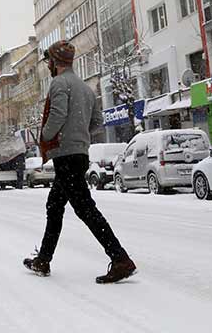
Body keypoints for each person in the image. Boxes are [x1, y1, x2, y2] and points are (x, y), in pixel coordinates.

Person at [23, 40, 136, 284]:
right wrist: (79, 132)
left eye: (49, 62)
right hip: (79, 154)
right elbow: (96, 122)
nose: (48, 66)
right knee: (55, 206)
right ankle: (43, 259)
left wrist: (46, 135)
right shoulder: (85, 89)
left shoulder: (59, 83)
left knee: (85, 209)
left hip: (66, 155)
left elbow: (58, 114)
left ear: (55, 62)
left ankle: (120, 259)